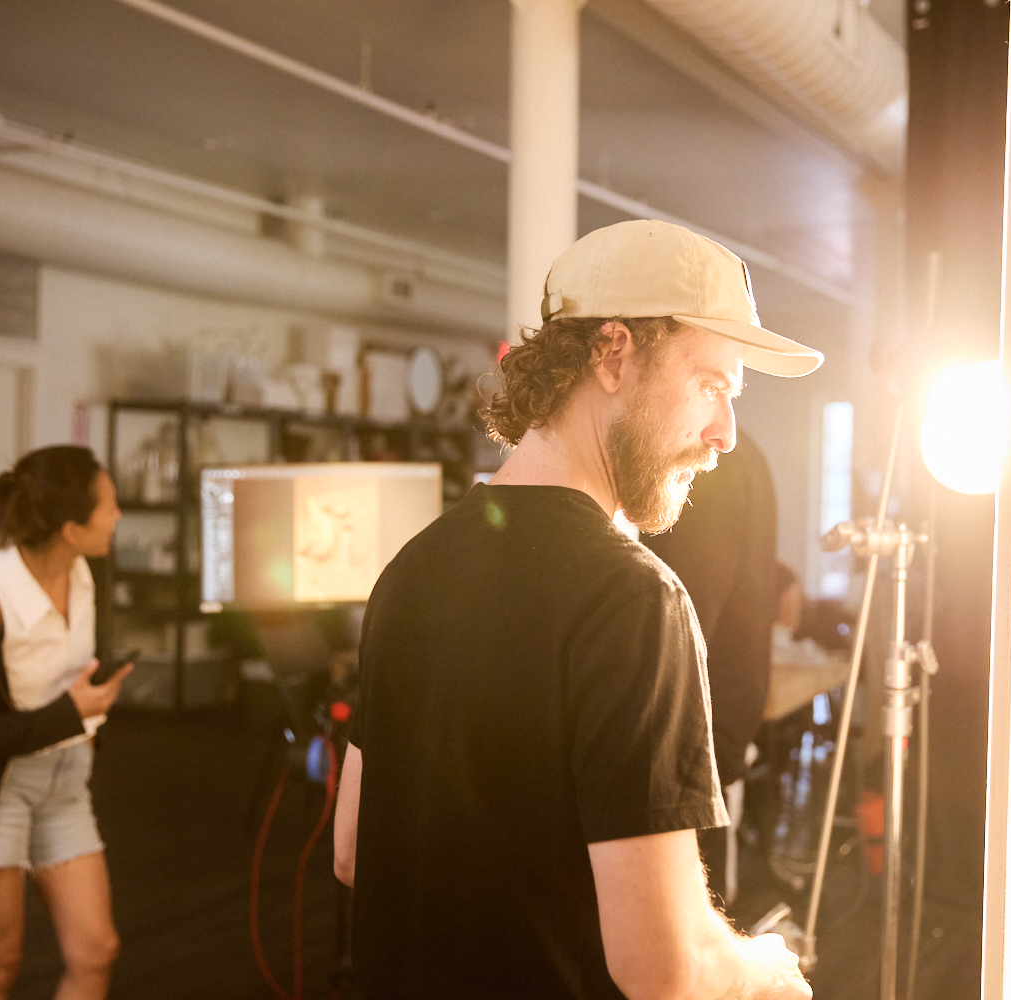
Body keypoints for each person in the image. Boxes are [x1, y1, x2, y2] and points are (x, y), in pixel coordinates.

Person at [333, 219, 822, 999]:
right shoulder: (635, 600)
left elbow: (353, 850)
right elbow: (664, 968)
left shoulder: (410, 571)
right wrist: (764, 973)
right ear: (613, 354)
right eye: (711, 386)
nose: (725, 434)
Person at [0, 445, 133, 1000]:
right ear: (71, 529)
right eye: (109, 506)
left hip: (67, 781)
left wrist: (90, 701)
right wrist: (69, 715)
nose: (118, 515)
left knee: (95, 951)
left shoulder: (89, 572)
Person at [643, 431, 778, 905]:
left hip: (692, 741)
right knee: (706, 905)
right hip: (712, 731)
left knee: (692, 914)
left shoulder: (708, 464)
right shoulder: (737, 456)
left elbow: (685, 617)